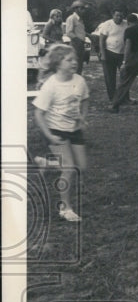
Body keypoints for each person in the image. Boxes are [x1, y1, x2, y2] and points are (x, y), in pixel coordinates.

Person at [32, 44, 89, 222]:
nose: (75, 62)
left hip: (74, 129)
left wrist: (82, 117)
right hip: (55, 130)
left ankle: (46, 163)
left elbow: (85, 99)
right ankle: (65, 208)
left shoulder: (79, 80)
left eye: (76, 59)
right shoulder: (51, 86)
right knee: (69, 169)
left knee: (82, 167)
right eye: (69, 60)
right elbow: (38, 113)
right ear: (58, 63)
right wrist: (49, 136)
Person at [96, 8, 127, 103]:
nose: (119, 18)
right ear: (113, 15)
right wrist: (103, 54)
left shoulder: (126, 23)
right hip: (109, 53)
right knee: (110, 77)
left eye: (121, 16)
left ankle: (125, 98)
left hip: (122, 54)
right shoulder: (107, 24)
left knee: (125, 76)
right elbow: (101, 40)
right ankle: (112, 98)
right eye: (117, 15)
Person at [64, 0, 88, 69]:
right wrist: (78, 41)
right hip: (75, 45)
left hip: (80, 45)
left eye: (84, 9)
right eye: (82, 8)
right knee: (75, 66)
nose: (84, 10)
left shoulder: (80, 19)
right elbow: (69, 32)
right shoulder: (71, 18)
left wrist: (90, 36)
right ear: (76, 9)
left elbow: (80, 32)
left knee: (80, 65)